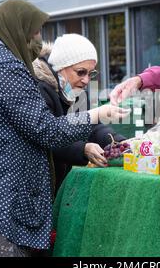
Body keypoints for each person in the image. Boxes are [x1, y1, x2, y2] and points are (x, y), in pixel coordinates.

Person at [0, 0, 129, 257]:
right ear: (15, 30)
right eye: (34, 32)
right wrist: (96, 115)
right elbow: (46, 130)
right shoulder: (6, 70)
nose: (38, 41)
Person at [32, 34, 126, 195]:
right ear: (62, 67)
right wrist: (83, 149)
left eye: (91, 74)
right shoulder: (39, 89)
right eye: (81, 72)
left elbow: (92, 127)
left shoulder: (74, 91)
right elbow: (47, 137)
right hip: (38, 186)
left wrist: (120, 142)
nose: (86, 80)